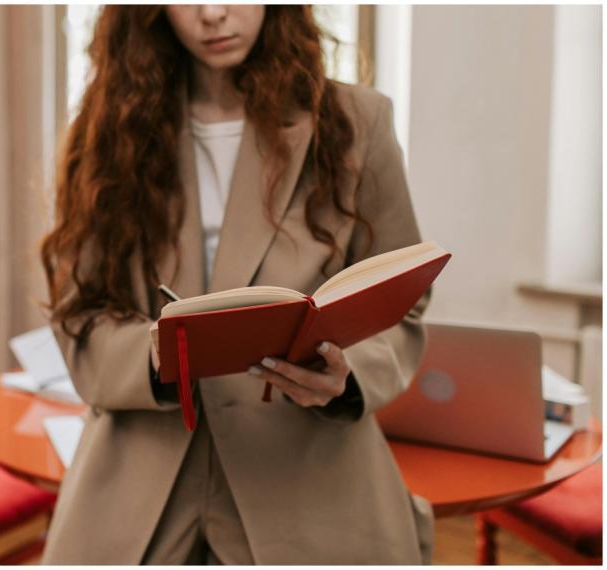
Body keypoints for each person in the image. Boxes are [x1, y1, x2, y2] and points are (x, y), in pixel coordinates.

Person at [40, 5, 434, 565]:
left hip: (305, 470)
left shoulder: (356, 121)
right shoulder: (108, 130)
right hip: (142, 479)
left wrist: (346, 378)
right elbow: (79, 313)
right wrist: (153, 358)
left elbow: (404, 300)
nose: (213, 13)